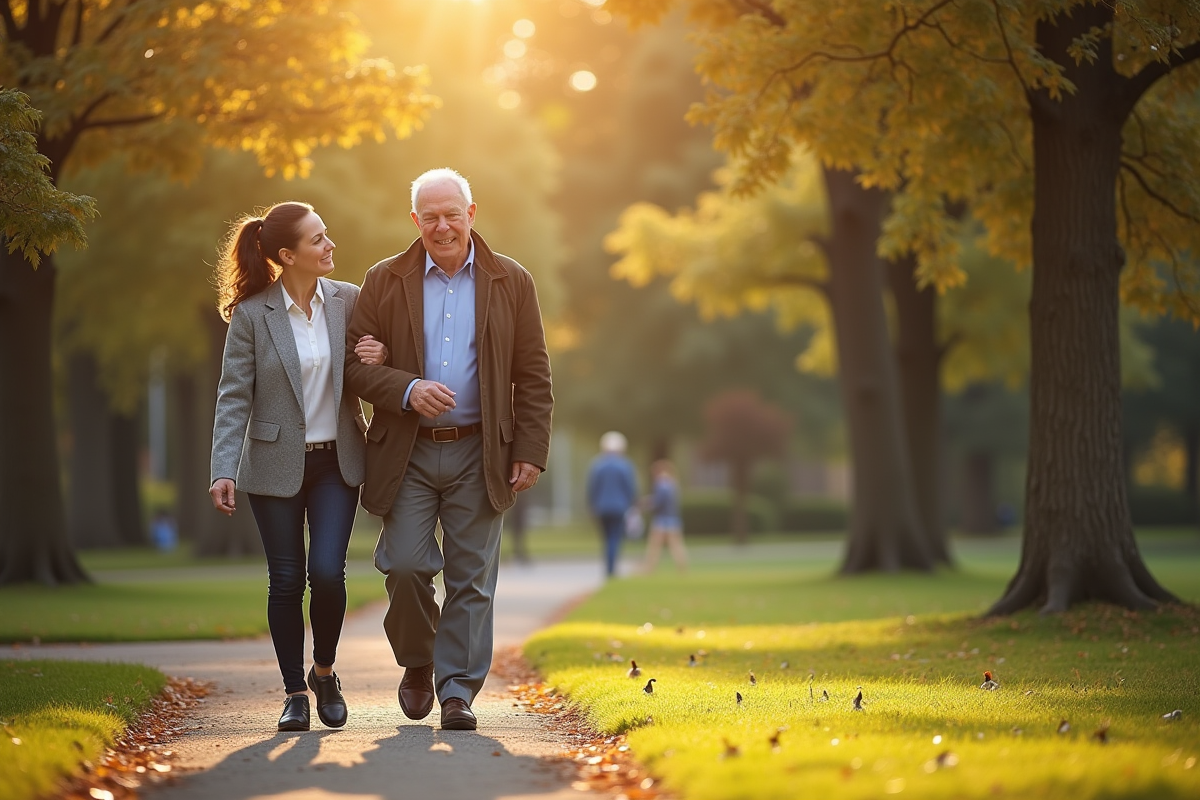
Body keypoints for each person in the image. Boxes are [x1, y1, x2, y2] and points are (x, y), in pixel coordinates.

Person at [344, 168, 553, 731]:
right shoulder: (384, 280)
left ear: (471, 214)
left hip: (481, 451)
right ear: (415, 220)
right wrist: (407, 388)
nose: (442, 226)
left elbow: (533, 375)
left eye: (451, 214)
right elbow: (352, 371)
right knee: (408, 566)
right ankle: (418, 662)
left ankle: (457, 691)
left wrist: (529, 450)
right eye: (429, 216)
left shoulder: (513, 281)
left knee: (471, 578)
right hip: (405, 453)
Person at [209, 201, 387, 732]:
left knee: (328, 573)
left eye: (326, 235)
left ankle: (325, 672)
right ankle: (294, 693)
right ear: (288, 255)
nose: (330, 245)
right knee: (286, 580)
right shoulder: (251, 315)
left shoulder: (350, 301)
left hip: (338, 461)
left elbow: (369, 360)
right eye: (317, 240)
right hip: (272, 463)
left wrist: (378, 352)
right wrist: (223, 467)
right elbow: (233, 395)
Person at [586, 431, 638, 578]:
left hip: (601, 507)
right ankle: (611, 569)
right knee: (615, 537)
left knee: (606, 537)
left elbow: (592, 488)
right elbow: (630, 487)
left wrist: (591, 505)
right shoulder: (625, 465)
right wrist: (633, 503)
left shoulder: (597, 464)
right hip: (620, 507)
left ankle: (608, 567)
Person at [642, 459, 688, 573]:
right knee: (676, 546)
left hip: (662, 520)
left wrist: (646, 504)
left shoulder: (661, 484)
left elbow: (658, 502)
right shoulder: (673, 484)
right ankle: (682, 567)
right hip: (673, 519)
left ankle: (649, 568)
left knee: (654, 547)